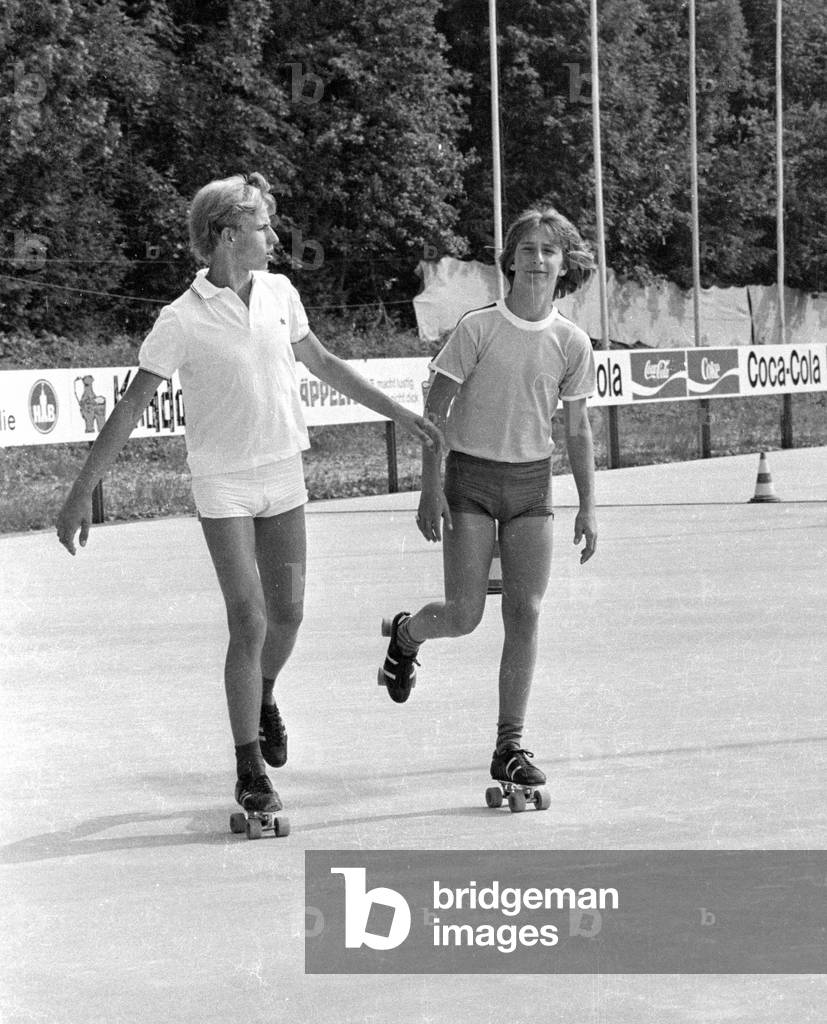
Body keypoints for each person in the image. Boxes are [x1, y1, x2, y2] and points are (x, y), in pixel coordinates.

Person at [56, 172, 443, 817]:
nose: (273, 235)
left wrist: (399, 414)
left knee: (288, 613)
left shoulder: (282, 293)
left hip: (282, 477)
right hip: (224, 486)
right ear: (228, 234)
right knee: (250, 618)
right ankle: (249, 768)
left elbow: (323, 364)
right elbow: (129, 409)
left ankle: (263, 696)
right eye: (264, 225)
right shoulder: (180, 318)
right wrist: (78, 496)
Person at [379, 205, 598, 791]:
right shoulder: (477, 327)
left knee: (524, 613)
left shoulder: (572, 343)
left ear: (564, 265)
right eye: (526, 249)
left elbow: (577, 431)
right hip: (470, 482)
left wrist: (589, 505)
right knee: (464, 616)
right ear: (509, 260)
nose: (536, 260)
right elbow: (436, 411)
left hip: (531, 486)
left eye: (548, 251)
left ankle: (510, 745)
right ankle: (406, 636)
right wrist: (430, 486)